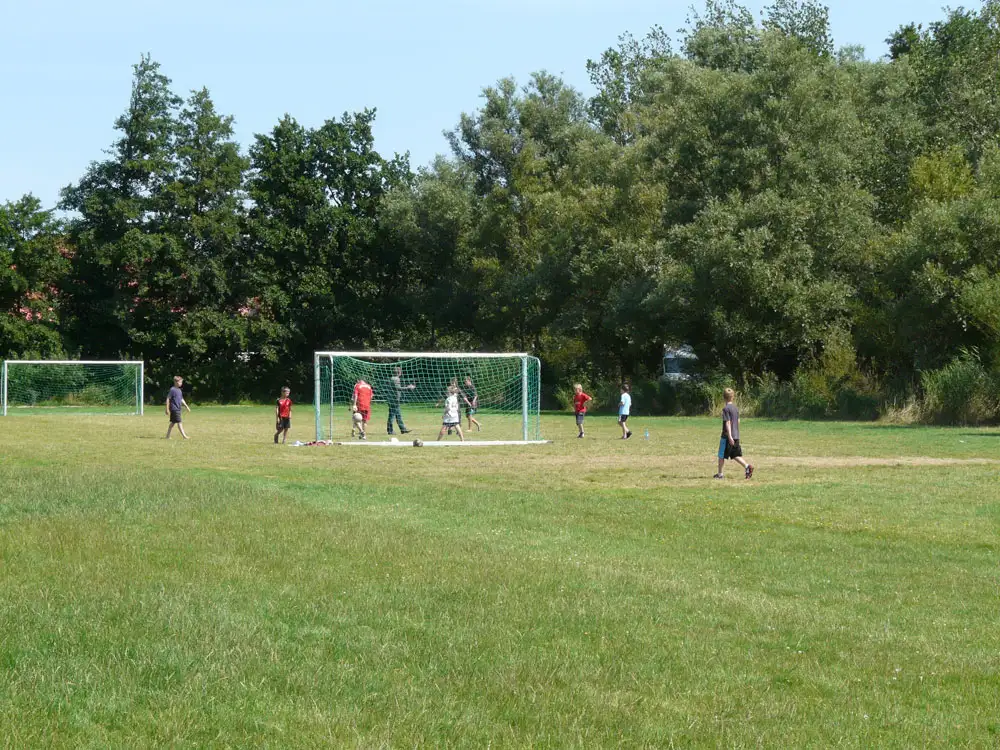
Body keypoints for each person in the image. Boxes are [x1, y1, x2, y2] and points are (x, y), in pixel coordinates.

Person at [715, 388, 754, 480]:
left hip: (727, 437)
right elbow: (738, 421)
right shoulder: (735, 408)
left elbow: (728, 422)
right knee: (735, 455)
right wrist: (735, 432)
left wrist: (729, 436)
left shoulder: (726, 409)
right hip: (736, 435)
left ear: (724, 398)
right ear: (733, 397)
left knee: (721, 455)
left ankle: (720, 474)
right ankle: (747, 466)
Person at [386, 366, 414, 435]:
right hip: (394, 400)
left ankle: (403, 429)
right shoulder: (396, 379)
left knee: (398, 415)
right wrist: (408, 387)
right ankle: (390, 430)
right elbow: (397, 388)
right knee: (392, 416)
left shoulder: (392, 378)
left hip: (393, 400)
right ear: (399, 372)